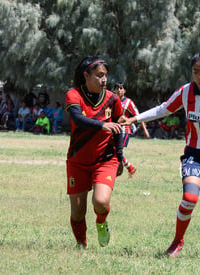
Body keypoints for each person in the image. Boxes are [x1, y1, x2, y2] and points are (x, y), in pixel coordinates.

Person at [119, 49, 200, 257]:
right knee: (189, 196)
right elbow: (163, 109)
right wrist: (134, 119)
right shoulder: (186, 92)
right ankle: (177, 242)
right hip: (195, 155)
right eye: (196, 71)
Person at [65, 56, 124, 248]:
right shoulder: (73, 95)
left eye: (105, 76)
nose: (104, 80)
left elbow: (117, 130)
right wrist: (102, 125)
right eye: (99, 76)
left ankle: (101, 222)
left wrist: (121, 158)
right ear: (86, 76)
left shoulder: (113, 99)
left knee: (100, 201)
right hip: (78, 161)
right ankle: (81, 245)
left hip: (105, 160)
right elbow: (76, 118)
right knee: (77, 212)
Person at [113, 82, 150, 178]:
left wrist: (145, 130)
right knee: (114, 150)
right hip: (114, 130)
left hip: (124, 130)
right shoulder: (112, 100)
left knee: (116, 150)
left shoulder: (129, 102)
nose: (119, 90)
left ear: (125, 90)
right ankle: (130, 168)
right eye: (117, 88)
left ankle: (127, 168)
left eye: (121, 88)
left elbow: (138, 116)